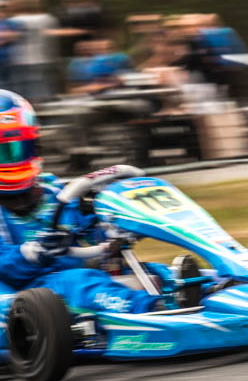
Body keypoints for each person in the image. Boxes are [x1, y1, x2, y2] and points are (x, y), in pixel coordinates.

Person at [0, 91, 161, 315]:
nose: (10, 159)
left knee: (155, 272)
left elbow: (90, 233)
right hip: (25, 295)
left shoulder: (55, 191)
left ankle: (199, 289)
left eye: (15, 148)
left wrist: (114, 225)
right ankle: (152, 311)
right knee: (79, 282)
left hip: (71, 284)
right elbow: (5, 264)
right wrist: (32, 252)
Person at [7, 0, 58, 102]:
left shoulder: (14, 20)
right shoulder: (48, 18)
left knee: (25, 89)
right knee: (44, 84)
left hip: (21, 58)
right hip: (45, 57)